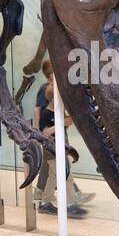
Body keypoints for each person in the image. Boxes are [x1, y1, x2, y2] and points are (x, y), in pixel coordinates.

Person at [33, 61, 87, 218]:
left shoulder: (57, 114)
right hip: (52, 150)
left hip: (58, 149)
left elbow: (67, 122)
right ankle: (70, 205)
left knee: (53, 177)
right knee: (66, 176)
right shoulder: (47, 115)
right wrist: (59, 124)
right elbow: (45, 132)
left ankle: (45, 203)